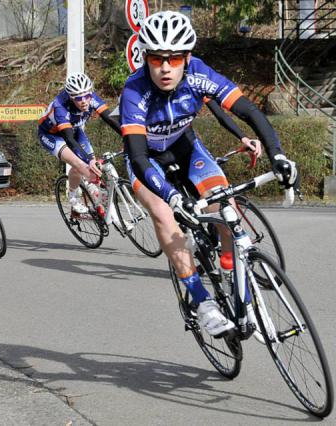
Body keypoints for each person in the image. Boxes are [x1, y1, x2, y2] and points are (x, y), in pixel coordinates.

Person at [120, 11, 297, 336]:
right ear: (146, 57)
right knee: (162, 213)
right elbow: (137, 155)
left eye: (174, 58)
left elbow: (249, 110)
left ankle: (232, 278)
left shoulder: (200, 74)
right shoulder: (135, 90)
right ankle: (201, 302)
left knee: (226, 208)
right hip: (147, 163)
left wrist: (279, 155)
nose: (165, 67)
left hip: (187, 148)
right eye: (157, 58)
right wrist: (173, 197)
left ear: (187, 56)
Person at [38, 72, 121, 213]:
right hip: (52, 135)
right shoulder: (60, 107)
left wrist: (129, 136)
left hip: (75, 130)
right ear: (71, 97)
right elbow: (69, 140)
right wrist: (87, 160)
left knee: (94, 168)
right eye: (78, 98)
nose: (84, 101)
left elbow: (110, 119)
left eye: (87, 96)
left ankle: (94, 204)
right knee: (80, 163)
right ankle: (73, 197)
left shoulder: (92, 98)